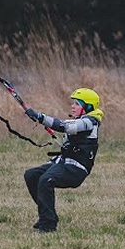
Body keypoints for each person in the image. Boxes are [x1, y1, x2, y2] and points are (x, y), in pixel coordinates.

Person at [23, 88, 103, 233]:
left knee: (45, 180)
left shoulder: (90, 122)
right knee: (32, 175)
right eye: (73, 103)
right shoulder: (79, 120)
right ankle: (48, 216)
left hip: (76, 169)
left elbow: (64, 126)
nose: (72, 106)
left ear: (88, 107)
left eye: (77, 104)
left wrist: (40, 117)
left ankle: (48, 225)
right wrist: (39, 118)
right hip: (63, 162)